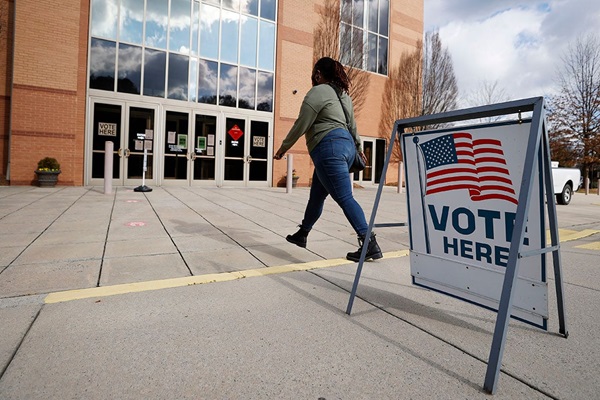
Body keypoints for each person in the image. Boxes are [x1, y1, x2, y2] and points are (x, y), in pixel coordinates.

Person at [274, 57, 382, 261]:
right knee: (316, 196)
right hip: (345, 148)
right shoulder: (344, 96)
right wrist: (358, 148)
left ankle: (369, 243)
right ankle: (303, 233)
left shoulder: (317, 92)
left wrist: (283, 148)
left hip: (329, 149)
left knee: (345, 198)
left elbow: (302, 123)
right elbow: (353, 127)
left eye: (314, 74)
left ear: (318, 74)